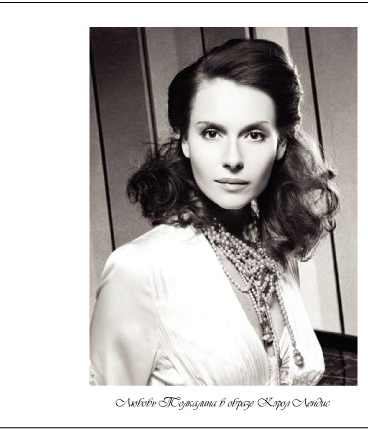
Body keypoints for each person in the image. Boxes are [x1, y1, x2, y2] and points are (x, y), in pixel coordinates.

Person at [89, 38, 339, 386]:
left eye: (254, 134)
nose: (232, 159)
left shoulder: (274, 252)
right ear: (185, 141)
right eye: (211, 133)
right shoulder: (138, 269)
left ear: (281, 143)